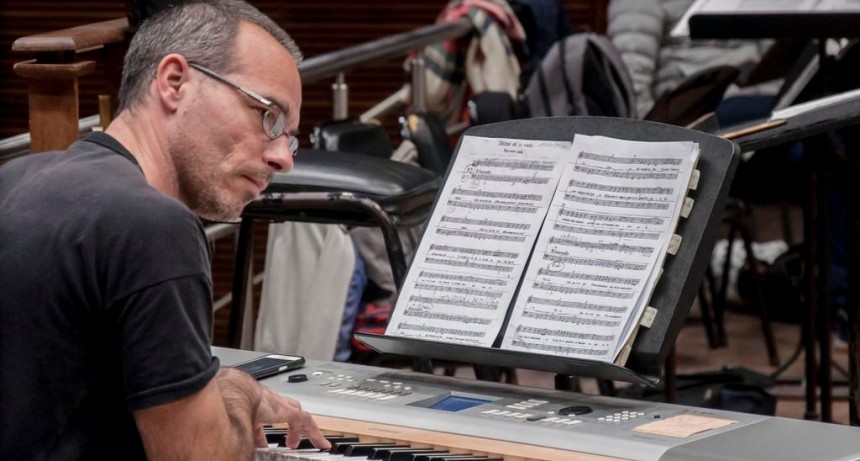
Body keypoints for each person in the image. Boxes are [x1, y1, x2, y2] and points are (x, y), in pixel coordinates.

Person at [0, 1, 332, 459]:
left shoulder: (15, 178)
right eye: (268, 115)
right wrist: (241, 389)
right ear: (174, 82)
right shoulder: (155, 226)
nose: (284, 157)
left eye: (289, 136)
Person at [606, 0, 780, 124]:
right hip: (697, 103)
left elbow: (774, 54)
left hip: (761, 94)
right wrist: (651, 131)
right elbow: (632, 74)